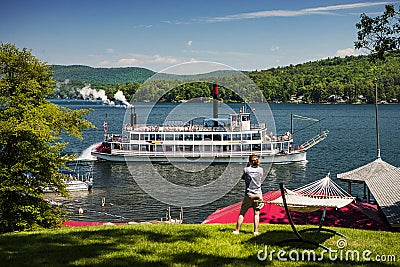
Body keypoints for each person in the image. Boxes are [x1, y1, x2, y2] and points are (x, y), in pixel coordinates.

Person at [233, 154, 264, 235]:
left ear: (249, 161)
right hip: (258, 194)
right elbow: (260, 178)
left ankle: (237, 230)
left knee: (242, 212)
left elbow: (243, 178)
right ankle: (256, 231)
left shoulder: (246, 170)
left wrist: (248, 166)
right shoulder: (261, 170)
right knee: (256, 213)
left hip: (249, 194)